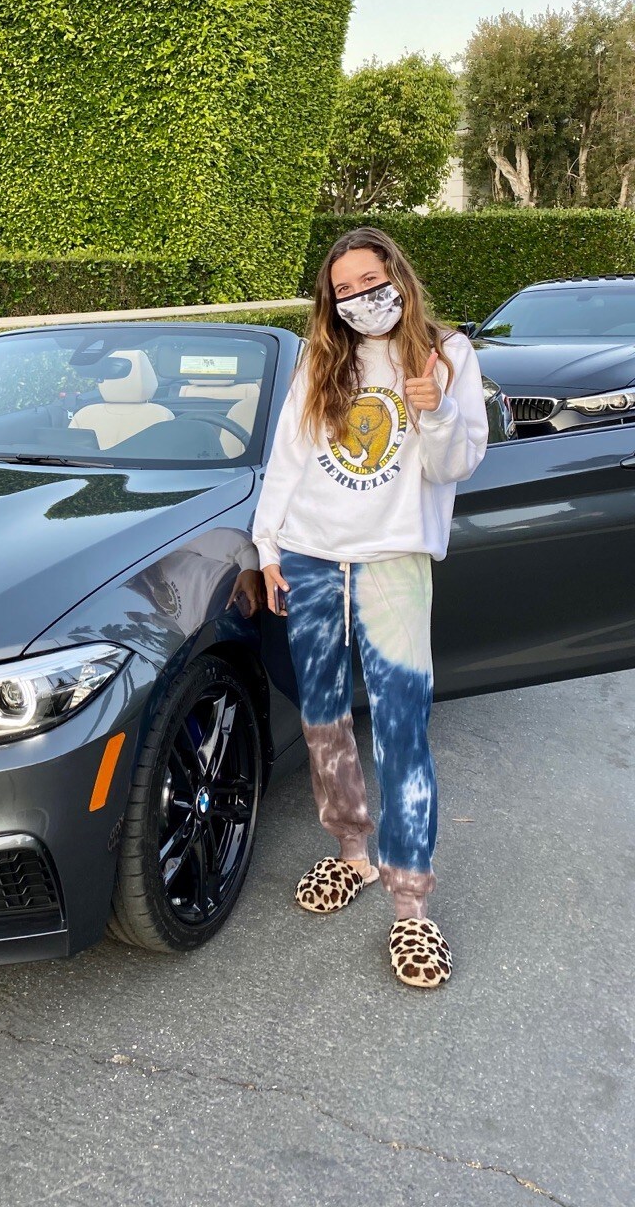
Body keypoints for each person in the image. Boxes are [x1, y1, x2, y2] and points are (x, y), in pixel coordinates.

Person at [250, 226, 489, 988]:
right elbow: (288, 456)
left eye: (369, 280)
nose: (359, 297)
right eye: (343, 288)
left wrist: (436, 409)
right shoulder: (323, 358)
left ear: (398, 277)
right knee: (324, 718)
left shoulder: (446, 353)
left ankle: (411, 903)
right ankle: (352, 852)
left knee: (401, 727)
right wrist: (268, 546)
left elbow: (457, 465)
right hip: (311, 556)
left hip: (392, 561)